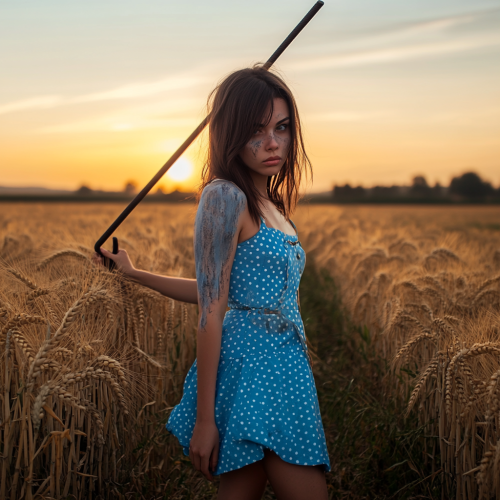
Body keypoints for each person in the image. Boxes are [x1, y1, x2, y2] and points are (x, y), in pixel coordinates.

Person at [95, 66, 330, 500]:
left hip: (287, 368)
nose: (272, 142)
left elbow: (220, 291)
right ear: (230, 134)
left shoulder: (271, 203)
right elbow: (212, 307)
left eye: (281, 128)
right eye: (255, 131)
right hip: (252, 368)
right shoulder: (225, 197)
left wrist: (136, 273)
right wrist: (206, 420)